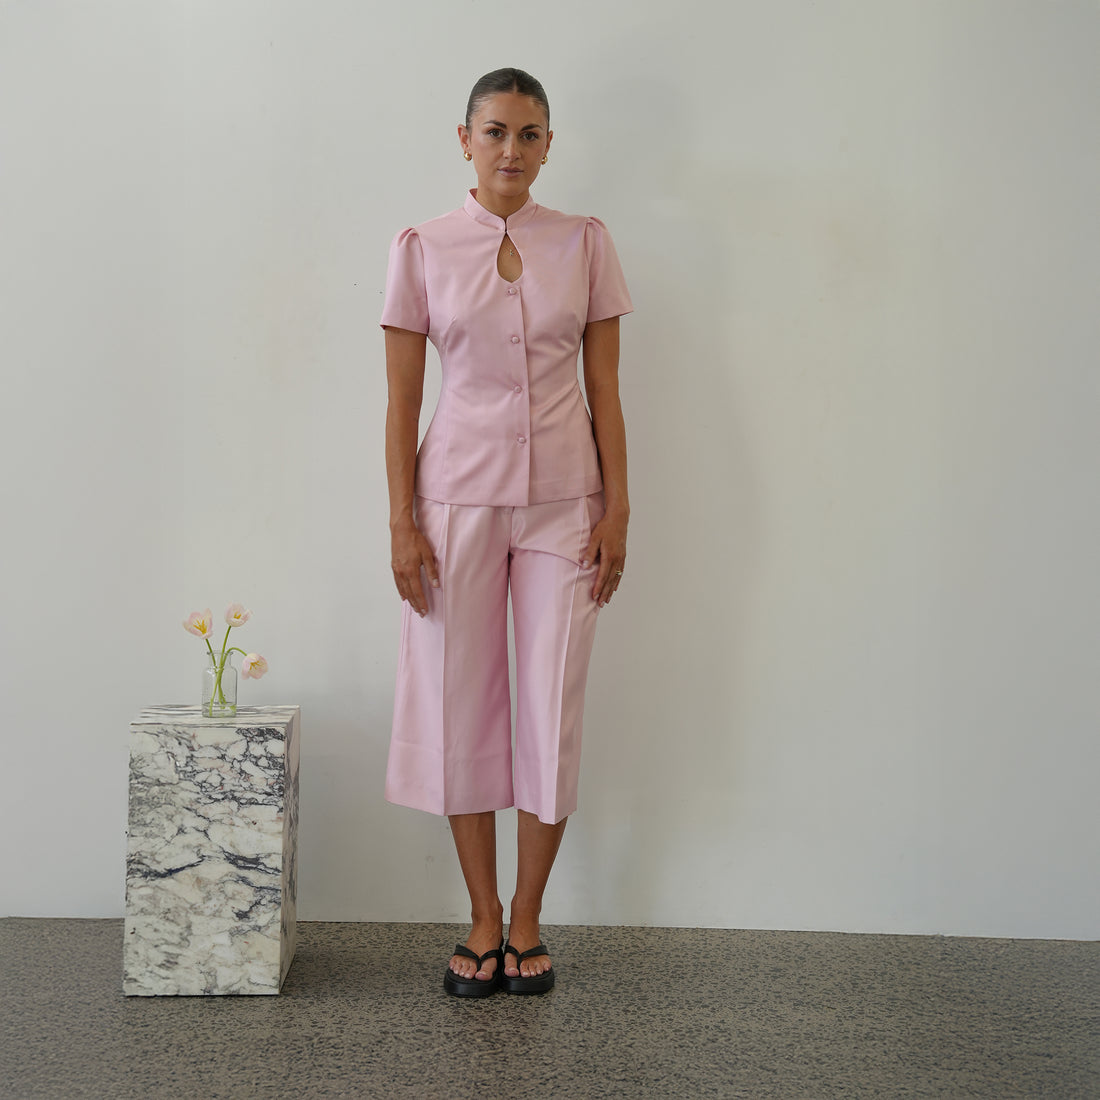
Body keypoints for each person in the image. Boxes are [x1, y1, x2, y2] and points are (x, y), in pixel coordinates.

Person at [381, 67, 632, 997]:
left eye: (529, 135)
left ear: (549, 144)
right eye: (495, 132)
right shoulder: (423, 248)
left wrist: (619, 506)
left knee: (550, 704)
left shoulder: (585, 242)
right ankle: (482, 916)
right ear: (465, 139)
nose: (511, 151)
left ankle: (528, 916)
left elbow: (604, 389)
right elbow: (403, 402)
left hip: (568, 502)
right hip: (455, 501)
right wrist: (401, 521)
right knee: (461, 704)